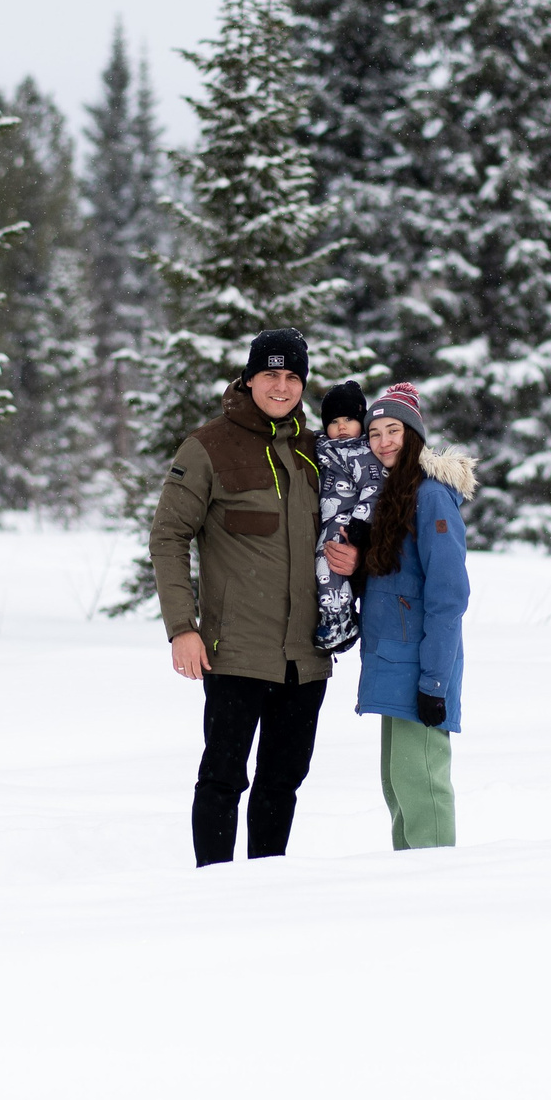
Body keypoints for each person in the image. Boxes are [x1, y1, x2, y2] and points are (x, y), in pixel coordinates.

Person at [150, 328, 363, 866]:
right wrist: (182, 628)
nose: (281, 386)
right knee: (223, 777)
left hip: (306, 656)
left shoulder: (317, 451)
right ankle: (213, 888)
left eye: (292, 377)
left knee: (282, 782)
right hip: (235, 652)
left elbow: (360, 511)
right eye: (270, 374)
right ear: (249, 379)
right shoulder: (207, 447)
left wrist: (357, 560)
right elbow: (168, 536)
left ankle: (266, 892)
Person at [352, 382, 473, 851]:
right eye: (375, 433)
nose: (383, 441)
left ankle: (436, 883)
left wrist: (434, 683)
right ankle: (407, 882)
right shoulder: (393, 495)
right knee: (399, 787)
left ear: (414, 435)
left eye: (393, 430)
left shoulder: (431, 497)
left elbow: (448, 596)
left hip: (420, 669)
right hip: (393, 663)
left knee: (422, 787)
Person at [312, 381, 383, 655]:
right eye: (334, 421)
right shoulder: (323, 448)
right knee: (322, 569)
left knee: (330, 566)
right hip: (325, 520)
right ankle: (333, 616)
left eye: (349, 419)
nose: (341, 427)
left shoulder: (363, 453)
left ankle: (339, 619)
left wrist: (361, 523)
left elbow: (374, 488)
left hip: (345, 524)